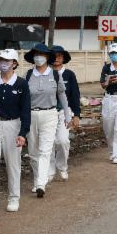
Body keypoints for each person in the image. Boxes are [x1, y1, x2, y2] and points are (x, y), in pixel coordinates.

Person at [0, 48, 30, 212]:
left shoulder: (21, 84)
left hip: (13, 125)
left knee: (13, 164)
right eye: (1, 60)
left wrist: (23, 133)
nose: (3, 63)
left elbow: (26, 110)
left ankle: (13, 198)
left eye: (6, 60)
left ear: (14, 63)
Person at [22, 42, 67, 199]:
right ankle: (37, 179)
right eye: (36, 55)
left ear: (47, 57)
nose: (38, 57)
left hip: (50, 114)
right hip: (31, 115)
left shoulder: (55, 75)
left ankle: (42, 183)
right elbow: (22, 99)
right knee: (33, 152)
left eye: (41, 54)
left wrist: (67, 114)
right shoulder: (27, 75)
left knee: (45, 149)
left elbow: (61, 95)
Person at [47, 44, 81, 181]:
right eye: (54, 56)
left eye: (59, 56)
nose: (56, 58)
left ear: (63, 58)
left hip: (64, 112)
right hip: (47, 112)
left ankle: (62, 167)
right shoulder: (45, 73)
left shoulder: (69, 75)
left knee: (62, 141)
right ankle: (49, 171)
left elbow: (75, 96)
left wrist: (76, 115)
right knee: (48, 143)